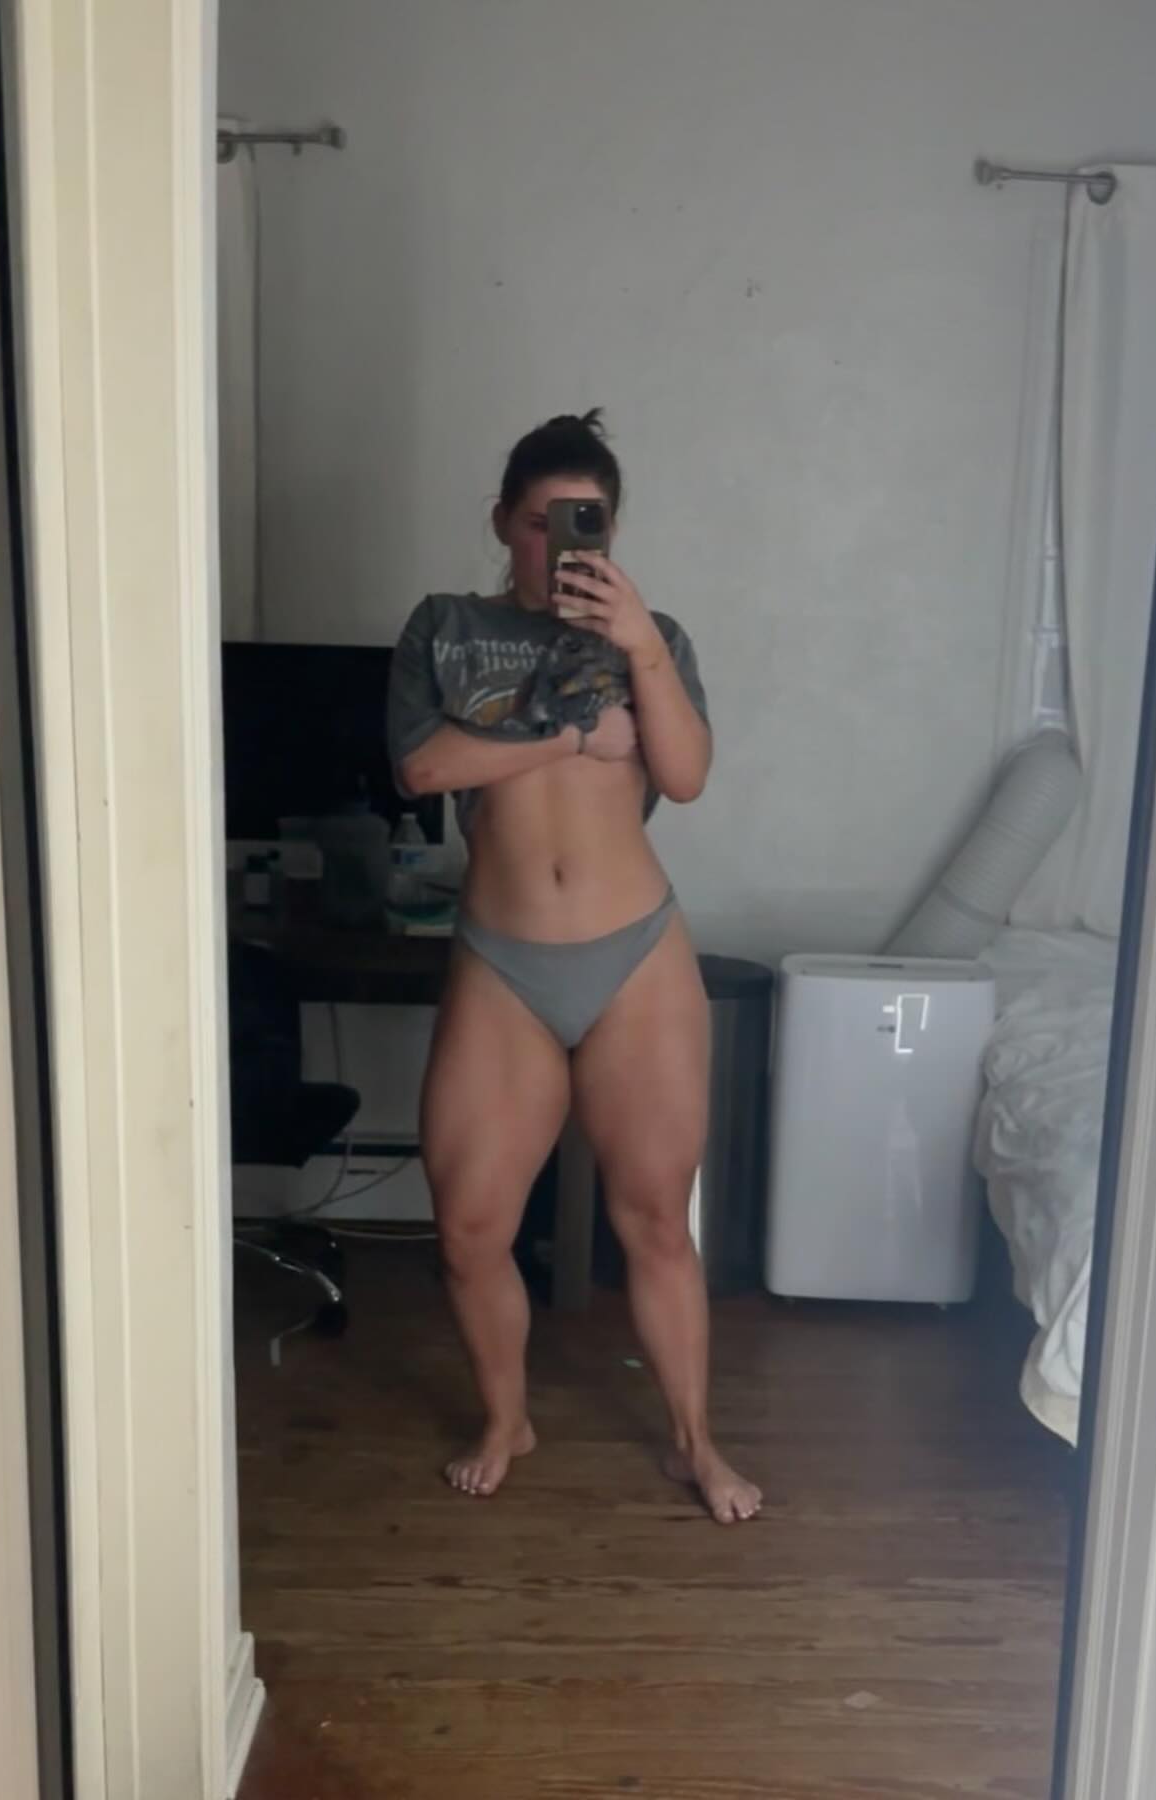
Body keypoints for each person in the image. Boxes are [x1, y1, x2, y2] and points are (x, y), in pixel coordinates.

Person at [387, 410, 762, 1525]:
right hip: (501, 959)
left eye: (584, 524)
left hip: (633, 953)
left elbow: (684, 776)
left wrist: (639, 644)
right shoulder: (446, 628)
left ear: (611, 531)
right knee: (469, 1229)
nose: (558, 546)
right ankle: (506, 1420)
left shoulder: (655, 637)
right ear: (504, 520)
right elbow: (423, 769)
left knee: (656, 1221)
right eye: (539, 523)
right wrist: (568, 739)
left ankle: (696, 1444)